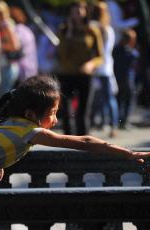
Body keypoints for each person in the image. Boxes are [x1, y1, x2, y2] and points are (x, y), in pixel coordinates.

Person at [0, 75, 150, 171]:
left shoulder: (6, 122)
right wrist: (126, 153)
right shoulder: (29, 131)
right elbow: (83, 141)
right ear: (32, 114)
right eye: (53, 113)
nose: (56, 120)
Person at [56, 1, 104, 135]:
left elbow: (100, 57)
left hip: (85, 76)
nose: (77, 12)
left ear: (85, 11)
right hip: (66, 74)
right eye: (74, 10)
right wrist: (69, 32)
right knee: (66, 111)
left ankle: (84, 142)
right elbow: (62, 55)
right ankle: (68, 141)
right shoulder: (63, 29)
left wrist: (91, 64)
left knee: (83, 112)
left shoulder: (92, 30)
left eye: (80, 9)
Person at [89, 2, 120, 137]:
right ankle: (112, 125)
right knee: (108, 98)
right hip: (106, 67)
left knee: (96, 98)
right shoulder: (108, 29)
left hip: (96, 67)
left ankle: (97, 123)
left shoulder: (93, 27)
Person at [113, 28, 139, 129]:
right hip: (127, 78)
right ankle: (124, 121)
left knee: (120, 100)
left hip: (118, 77)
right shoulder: (129, 51)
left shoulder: (116, 49)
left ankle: (120, 120)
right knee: (127, 100)